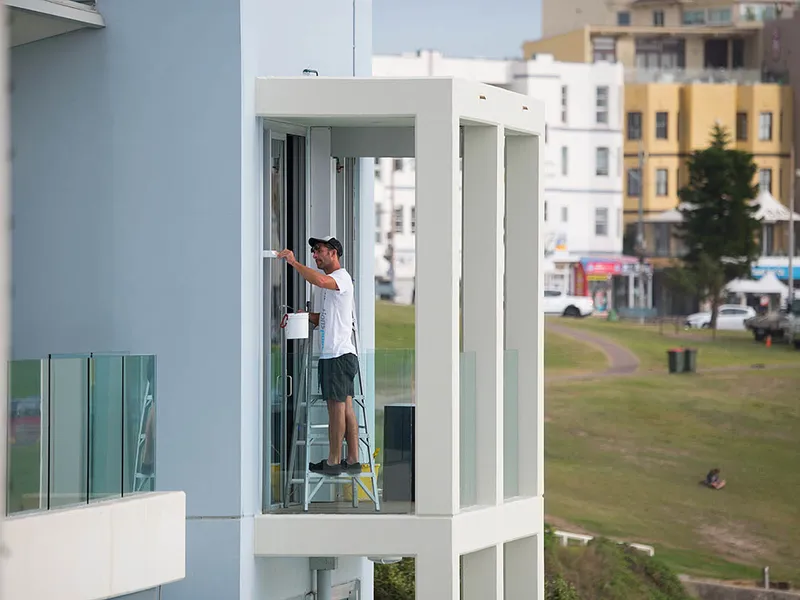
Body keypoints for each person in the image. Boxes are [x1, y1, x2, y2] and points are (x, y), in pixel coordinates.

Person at [278, 236, 361, 477]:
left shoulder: (339, 278)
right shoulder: (335, 284)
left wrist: (293, 262)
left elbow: (320, 280)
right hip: (339, 354)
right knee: (345, 406)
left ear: (333, 252)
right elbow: (330, 318)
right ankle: (353, 459)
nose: (315, 255)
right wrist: (309, 317)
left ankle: (334, 462)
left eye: (318, 251)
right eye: (313, 252)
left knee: (336, 408)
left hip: (337, 355)